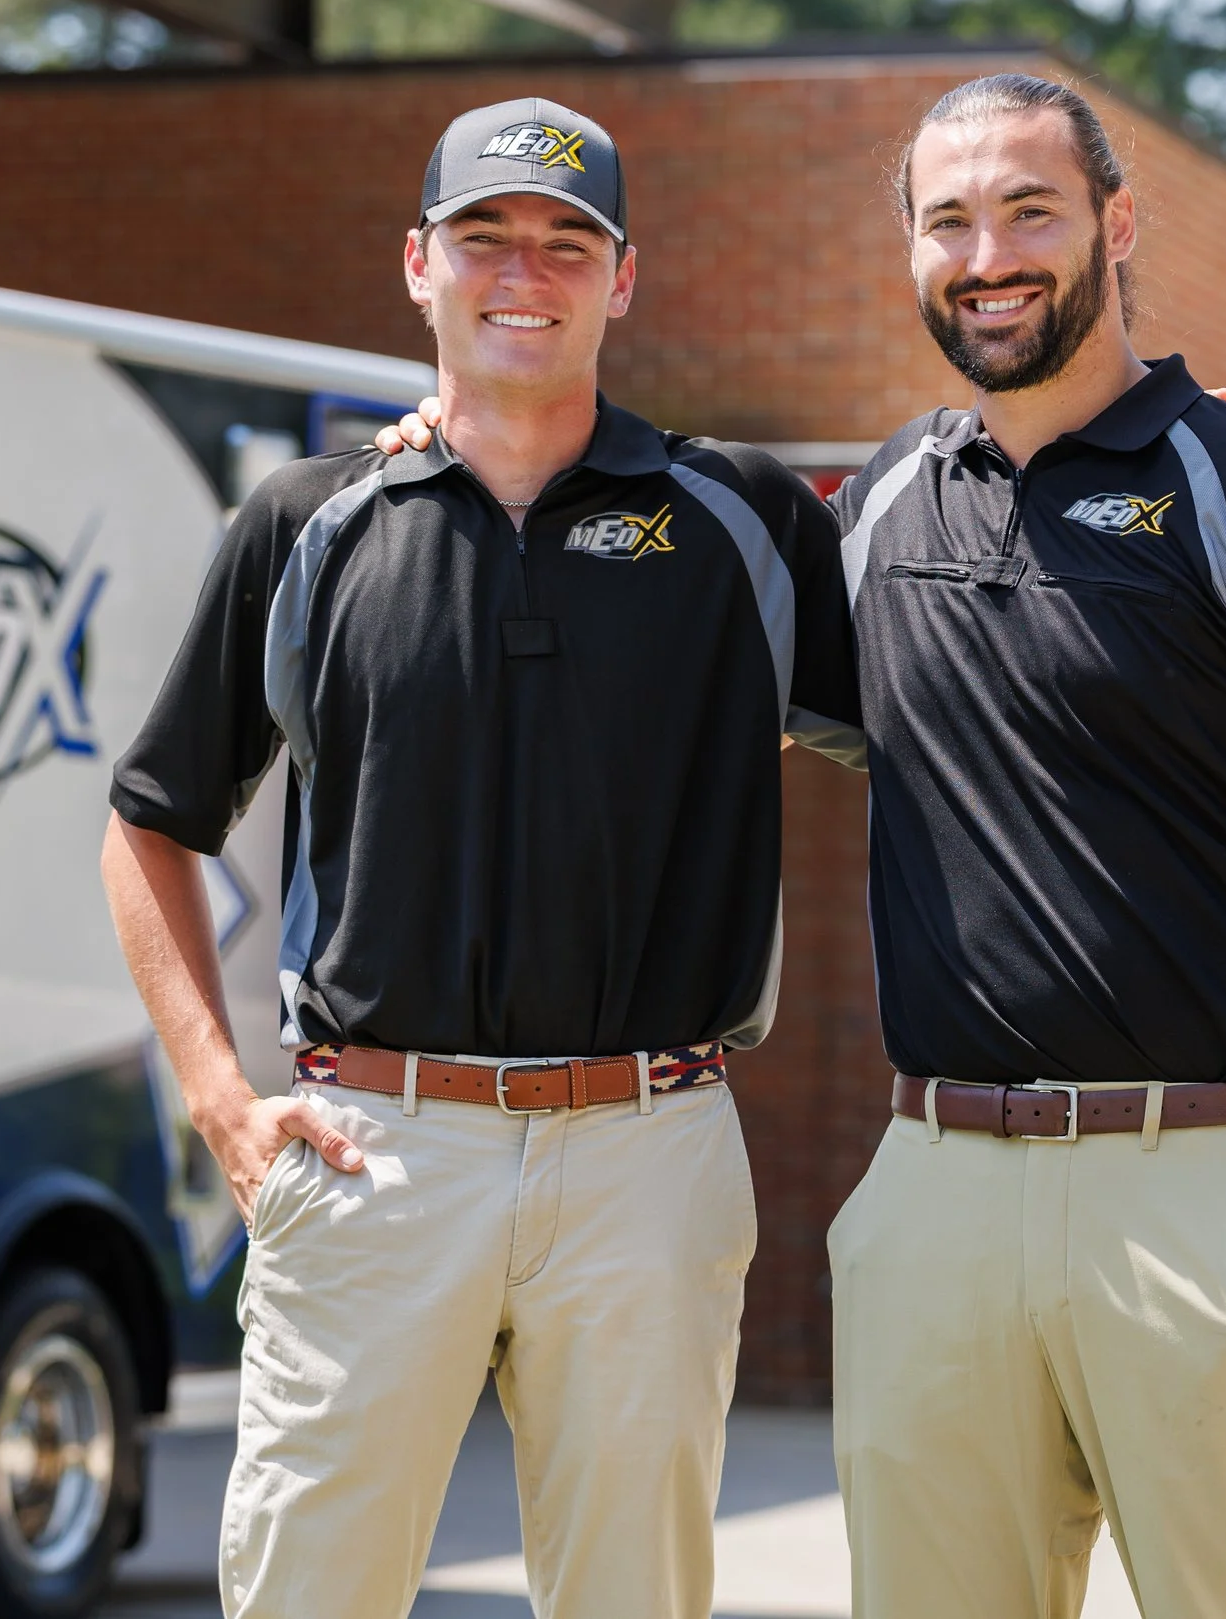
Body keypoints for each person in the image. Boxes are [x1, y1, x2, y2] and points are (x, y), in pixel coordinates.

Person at [99, 96, 859, 1619]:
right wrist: (220, 1102)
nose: (528, 270)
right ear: (417, 266)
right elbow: (150, 824)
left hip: (648, 1145)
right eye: (486, 237)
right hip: (376, 1145)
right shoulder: (311, 522)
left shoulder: (744, 524)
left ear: (623, 279)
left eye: (569, 242)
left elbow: (954, 699)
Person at [824, 73, 1226, 1619]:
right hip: (937, 1203)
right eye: (949, 220)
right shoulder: (872, 518)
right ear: (910, 251)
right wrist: (457, 415)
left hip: (1217, 1194)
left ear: (1119, 223)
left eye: (1029, 209)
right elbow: (652, 617)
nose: (990, 254)